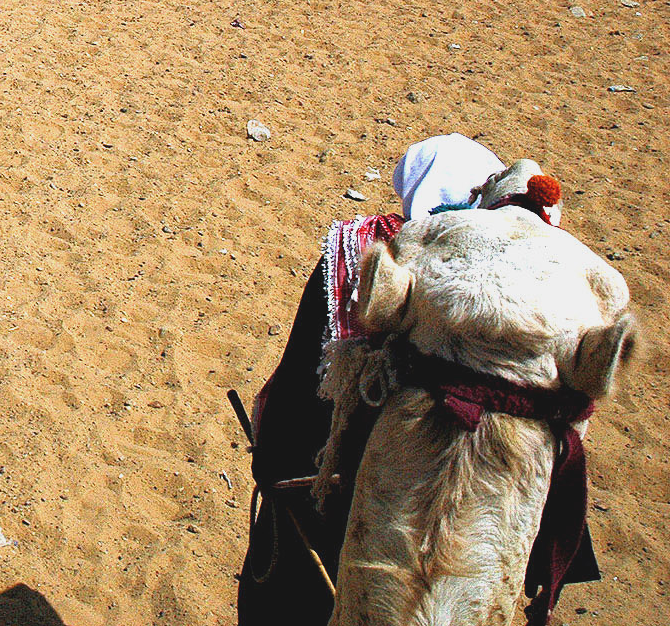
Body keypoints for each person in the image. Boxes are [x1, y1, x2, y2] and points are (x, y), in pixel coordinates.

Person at [236, 133, 589, 625]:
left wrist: (272, 462)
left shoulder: (362, 246)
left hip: (332, 487)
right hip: (472, 510)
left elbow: (302, 368)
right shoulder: (523, 286)